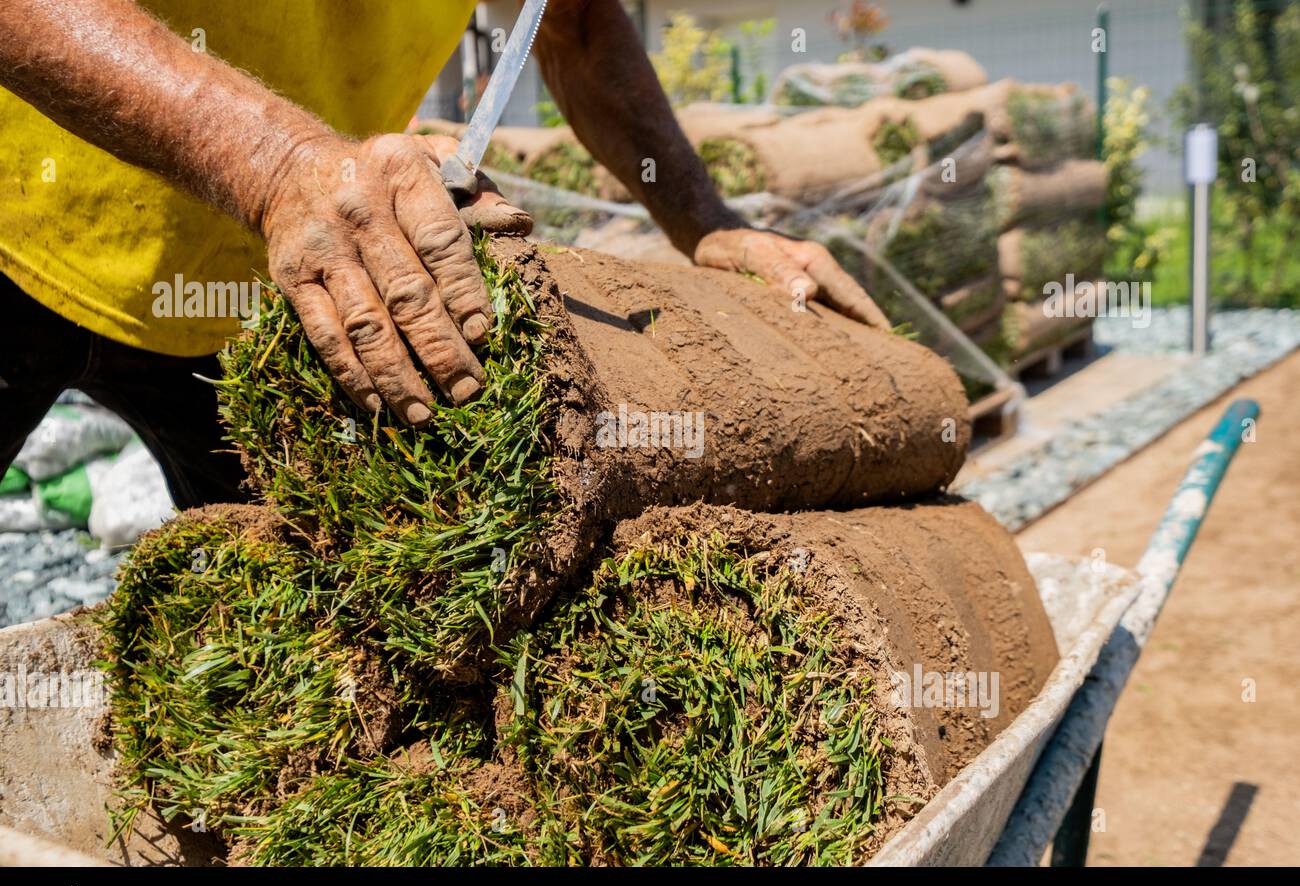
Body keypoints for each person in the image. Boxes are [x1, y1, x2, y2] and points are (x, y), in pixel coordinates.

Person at [0, 0, 890, 508]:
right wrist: (273, 165)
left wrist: (704, 224)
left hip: (256, 280)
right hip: (20, 226)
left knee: (300, 621)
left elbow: (574, 23)